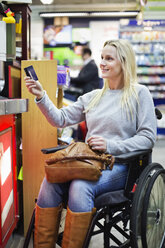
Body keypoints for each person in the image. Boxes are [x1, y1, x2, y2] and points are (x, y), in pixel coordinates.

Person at [24, 39, 157, 248]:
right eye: (102, 57)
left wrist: (110, 145)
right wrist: (42, 96)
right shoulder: (93, 96)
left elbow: (148, 137)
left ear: (124, 62)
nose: (102, 63)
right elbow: (59, 119)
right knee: (51, 178)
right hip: (89, 162)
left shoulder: (139, 94)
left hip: (120, 165)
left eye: (109, 58)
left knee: (80, 186)